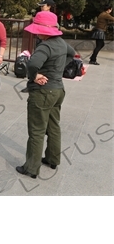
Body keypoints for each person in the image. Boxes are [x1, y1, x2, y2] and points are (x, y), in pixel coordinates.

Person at [16, 11, 75, 179]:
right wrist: (58, 69)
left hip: (42, 93)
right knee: (54, 126)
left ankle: (31, 168)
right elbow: (72, 54)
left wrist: (35, 76)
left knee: (36, 130)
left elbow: (33, 63)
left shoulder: (45, 46)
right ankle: (52, 159)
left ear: (43, 30)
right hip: (58, 90)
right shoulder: (62, 43)